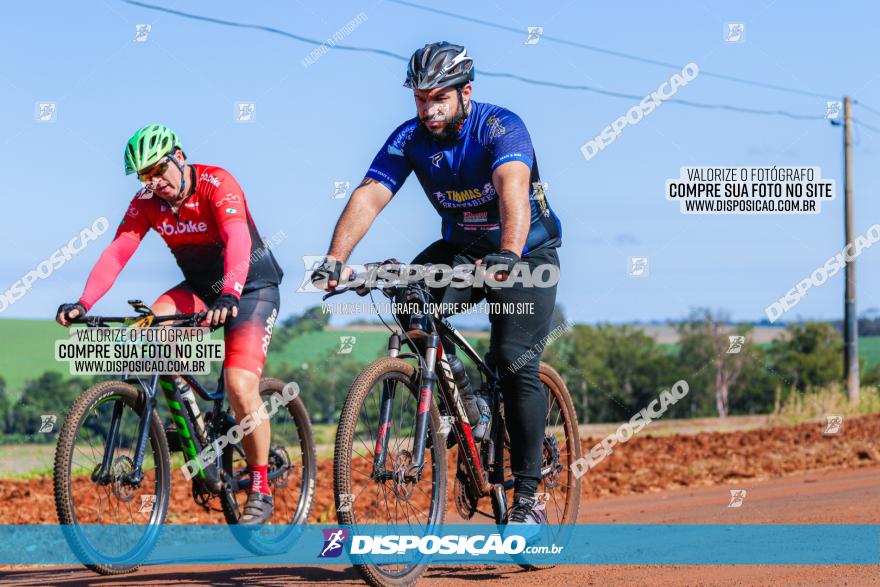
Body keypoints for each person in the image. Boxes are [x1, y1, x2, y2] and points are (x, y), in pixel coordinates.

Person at [311, 42, 562, 527]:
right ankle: (470, 405)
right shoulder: (410, 138)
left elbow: (514, 190)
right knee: (408, 299)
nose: (428, 109)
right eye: (420, 99)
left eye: (438, 99)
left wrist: (508, 256)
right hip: (463, 249)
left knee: (514, 360)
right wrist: (335, 260)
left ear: (465, 92)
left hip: (526, 252)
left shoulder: (500, 127)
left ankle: (528, 497)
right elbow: (370, 195)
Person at [55, 124, 283, 524]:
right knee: (150, 332)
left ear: (179, 156)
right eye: (145, 175)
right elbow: (117, 252)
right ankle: (193, 428)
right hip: (199, 288)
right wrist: (83, 302)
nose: (155, 181)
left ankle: (261, 485)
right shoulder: (146, 201)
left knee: (238, 384)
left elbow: (237, 240)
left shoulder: (217, 183)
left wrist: (230, 292)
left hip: (249, 288)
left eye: (159, 169)